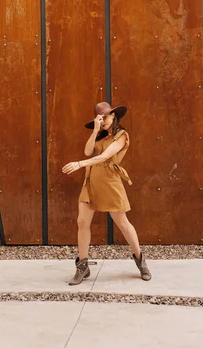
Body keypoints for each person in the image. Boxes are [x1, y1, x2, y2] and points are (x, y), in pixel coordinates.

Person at [62, 102, 151, 285]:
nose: (103, 121)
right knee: (82, 222)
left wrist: (79, 164)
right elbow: (88, 151)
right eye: (100, 118)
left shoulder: (122, 135)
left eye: (106, 117)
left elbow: (104, 157)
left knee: (123, 223)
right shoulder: (100, 136)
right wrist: (94, 131)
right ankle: (83, 267)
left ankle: (141, 260)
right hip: (91, 181)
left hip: (110, 182)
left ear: (114, 116)